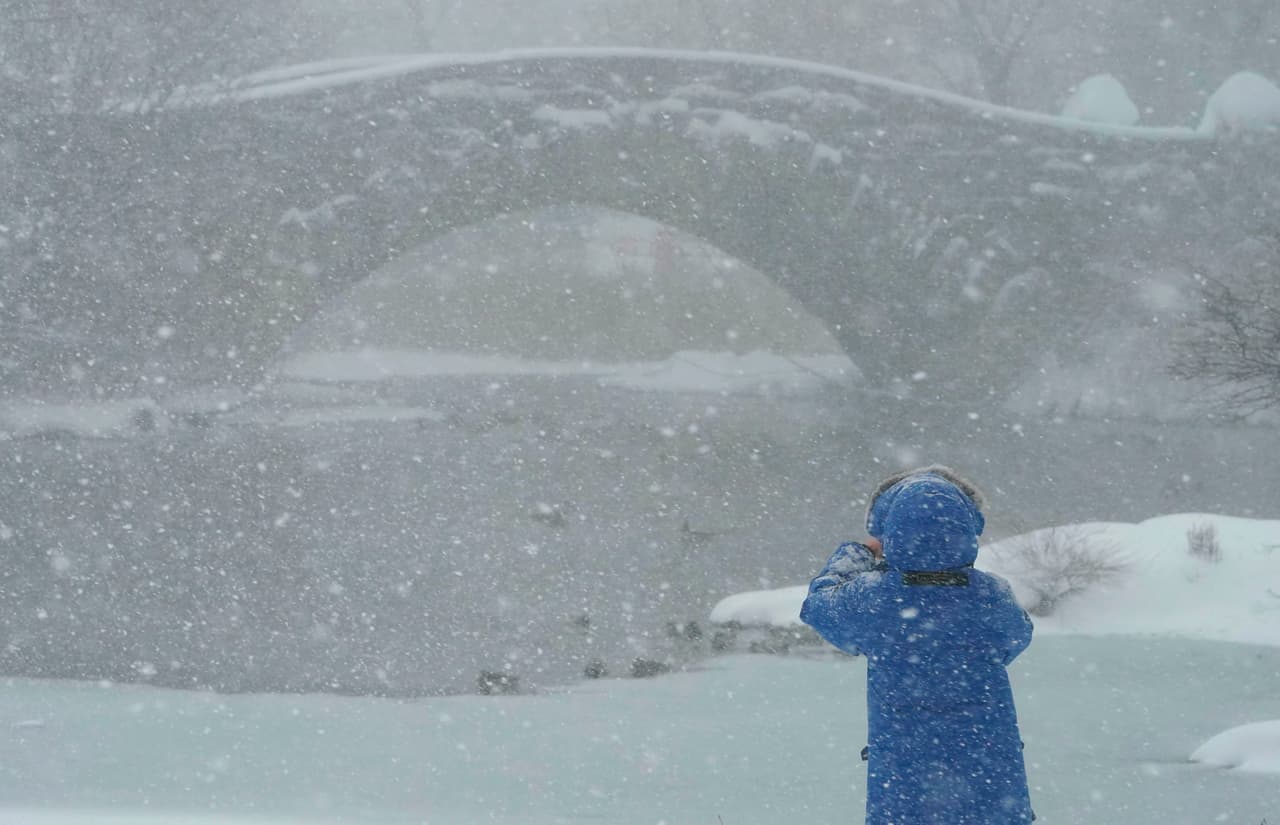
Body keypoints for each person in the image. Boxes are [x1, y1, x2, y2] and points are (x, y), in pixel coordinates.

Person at [800, 465, 1035, 825]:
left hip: (905, 782)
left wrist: (861, 553)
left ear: (890, 533)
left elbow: (817, 608)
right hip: (989, 774)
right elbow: (1016, 639)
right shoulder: (993, 596)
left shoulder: (875, 598)